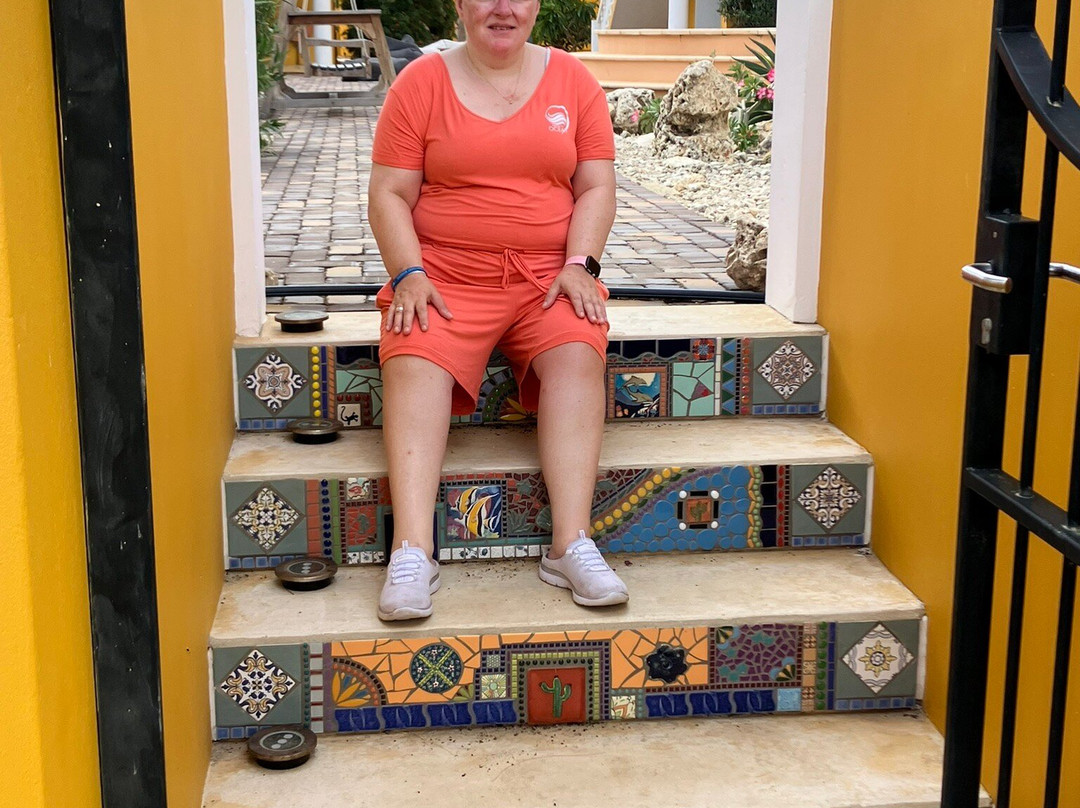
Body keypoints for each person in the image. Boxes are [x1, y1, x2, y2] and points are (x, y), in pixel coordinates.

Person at [368, 0, 629, 621]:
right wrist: (408, 274)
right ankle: (411, 550)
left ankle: (570, 544)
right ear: (461, 5)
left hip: (547, 276)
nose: (503, 8)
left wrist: (581, 265)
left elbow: (596, 185)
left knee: (578, 351)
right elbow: (389, 193)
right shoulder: (420, 83)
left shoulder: (575, 82)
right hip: (445, 274)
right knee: (414, 354)